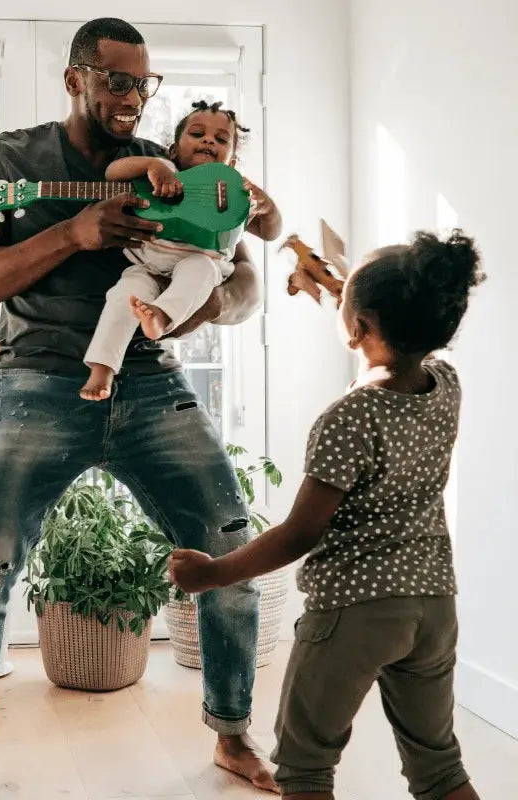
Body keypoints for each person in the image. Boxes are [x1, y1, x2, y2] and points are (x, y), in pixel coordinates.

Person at [0, 17, 281, 800]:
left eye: (144, 85)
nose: (131, 99)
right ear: (74, 77)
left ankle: (234, 733)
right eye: (116, 81)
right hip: (37, 379)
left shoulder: (175, 165)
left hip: (151, 379)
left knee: (229, 549)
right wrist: (72, 234)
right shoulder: (7, 164)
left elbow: (245, 283)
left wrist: (200, 305)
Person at [169, 229, 485, 800]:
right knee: (438, 766)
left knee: (307, 766)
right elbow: (400, 351)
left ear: (359, 328)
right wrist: (355, 305)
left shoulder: (348, 417)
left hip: (355, 610)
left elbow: (299, 533)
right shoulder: (445, 385)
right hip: (433, 605)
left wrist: (213, 574)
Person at [81, 99, 281, 400]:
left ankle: (161, 317)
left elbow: (270, 231)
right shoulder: (165, 171)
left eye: (221, 139)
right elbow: (113, 172)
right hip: (147, 266)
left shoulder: (231, 193)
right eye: (197, 134)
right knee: (123, 297)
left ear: (232, 162)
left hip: (201, 264)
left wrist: (267, 206)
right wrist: (154, 165)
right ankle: (102, 370)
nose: (208, 140)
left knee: (200, 270)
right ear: (174, 150)